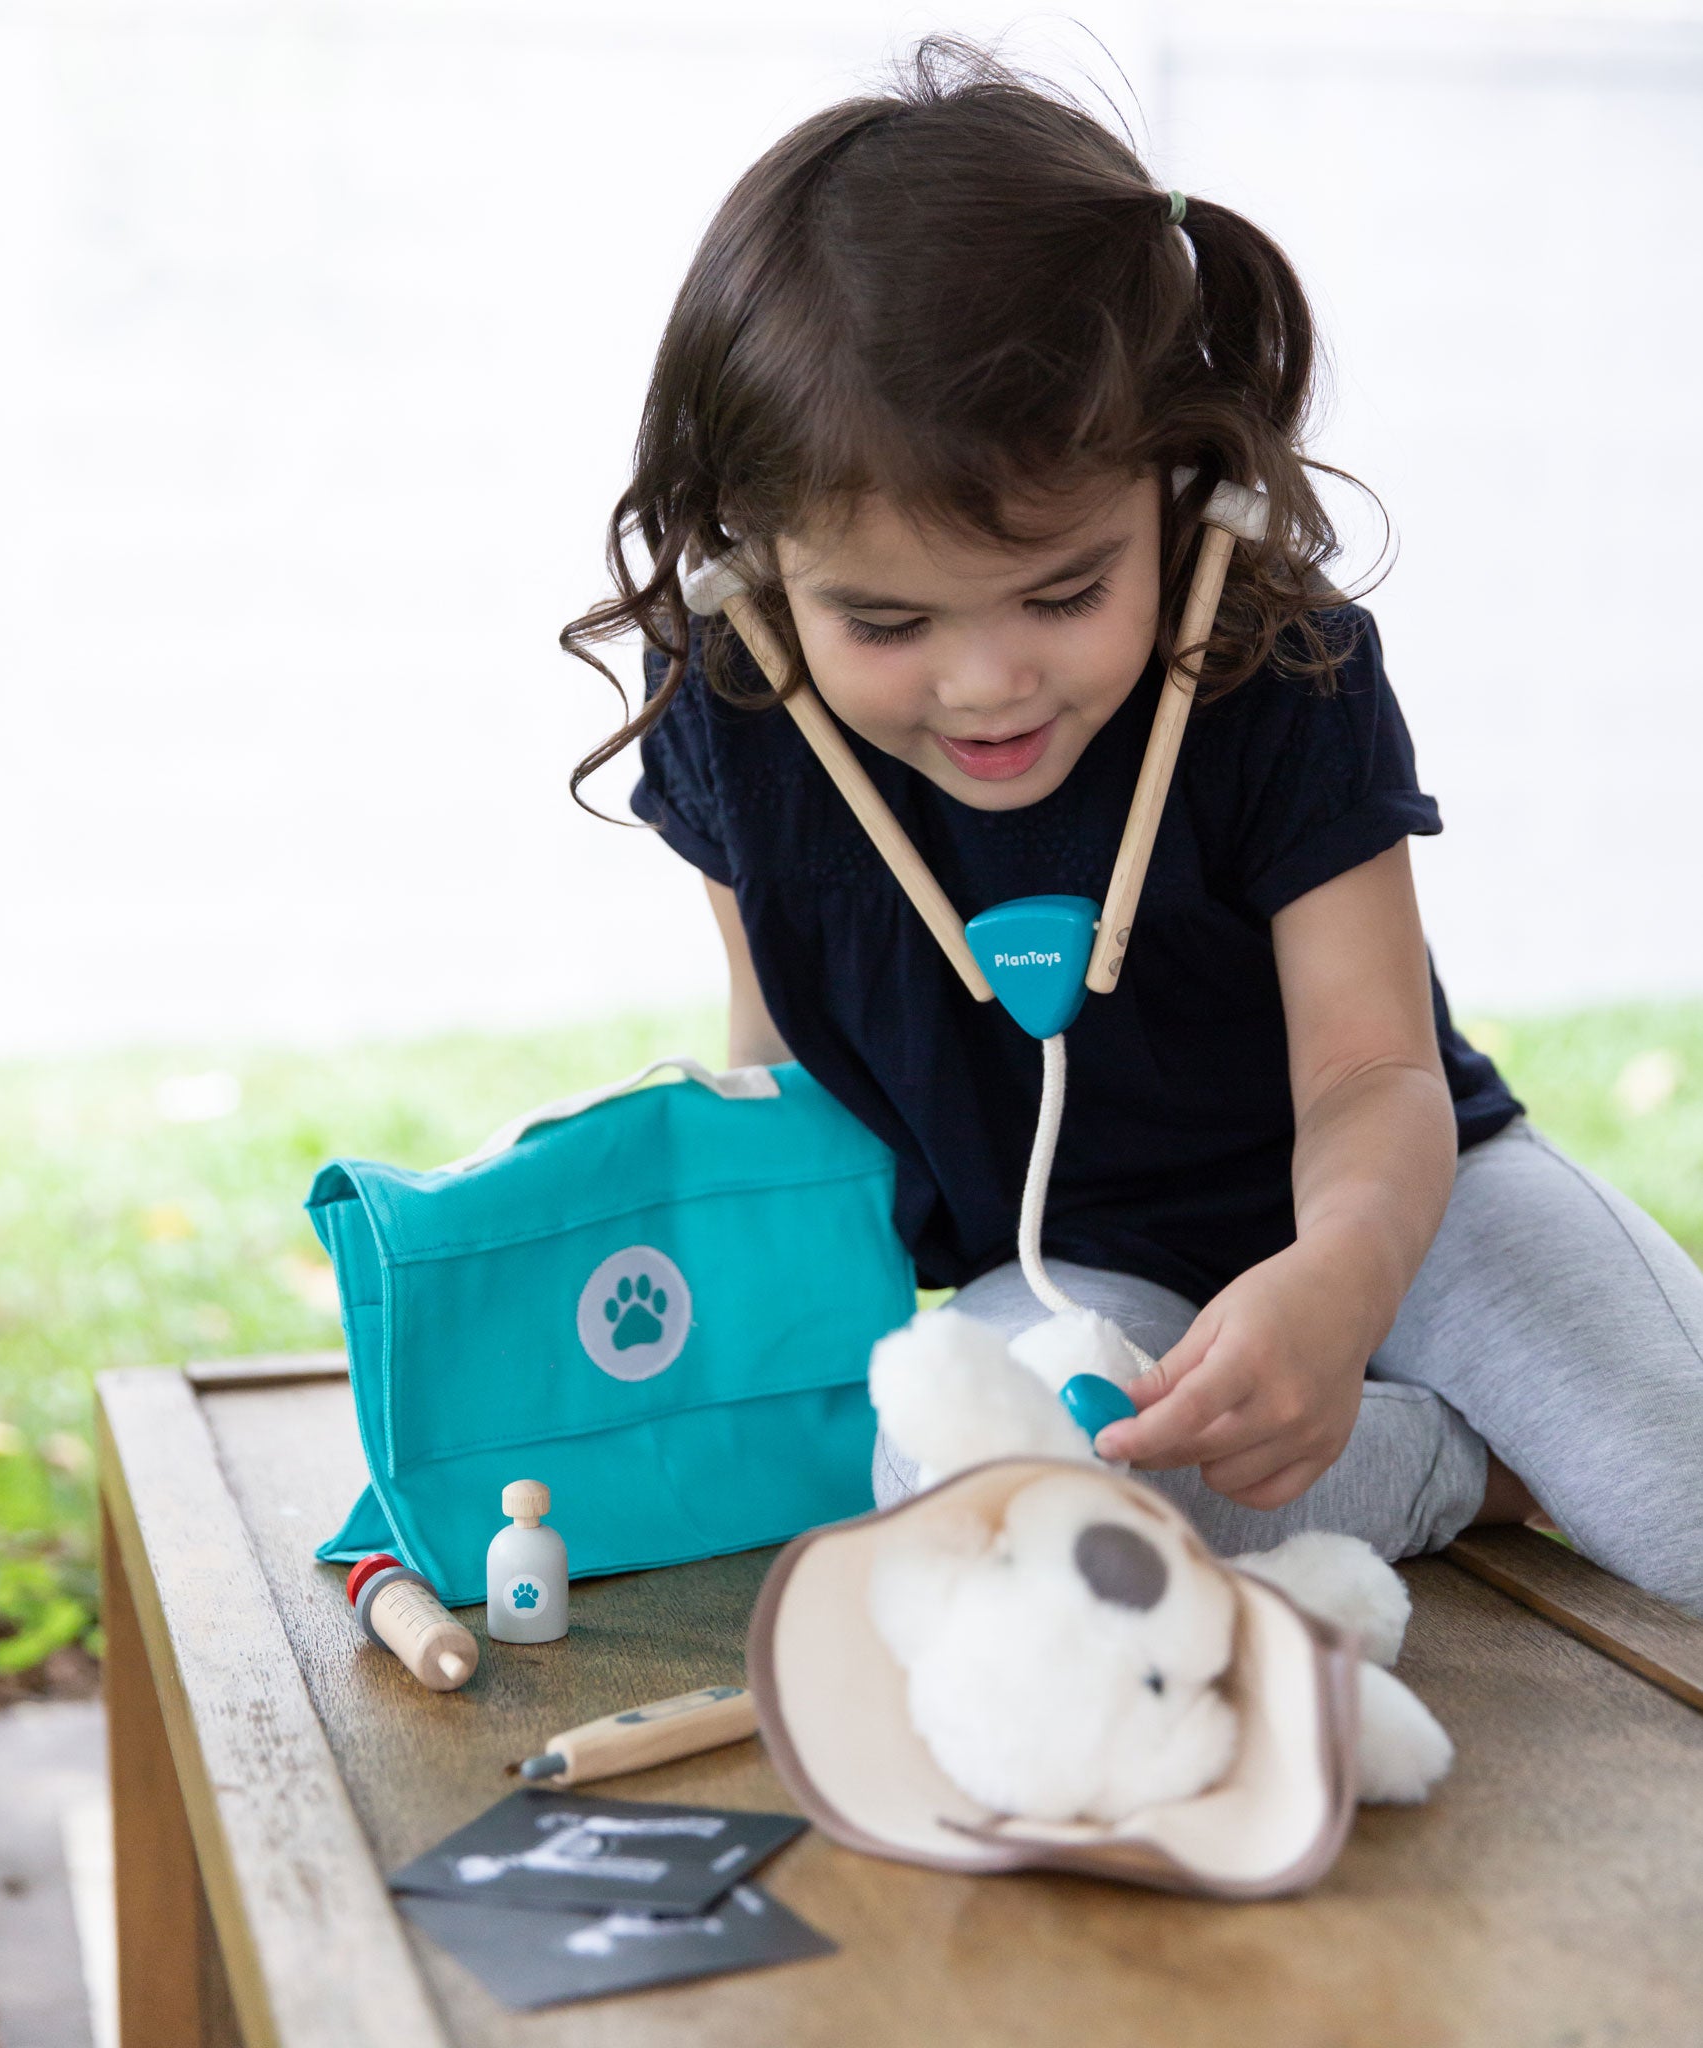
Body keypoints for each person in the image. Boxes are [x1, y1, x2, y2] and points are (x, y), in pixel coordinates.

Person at [560, 42, 1703, 1615]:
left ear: (1181, 493)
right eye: (885, 619)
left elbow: (1373, 1072)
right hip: (1072, 1263)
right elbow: (783, 1070)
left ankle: (1483, 1423)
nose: (984, 683)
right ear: (754, 570)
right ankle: (1464, 1469)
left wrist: (1339, 1276)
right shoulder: (733, 704)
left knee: (1681, 1495)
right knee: (991, 1491)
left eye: (1065, 591)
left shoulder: (1278, 662)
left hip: (1408, 1211)